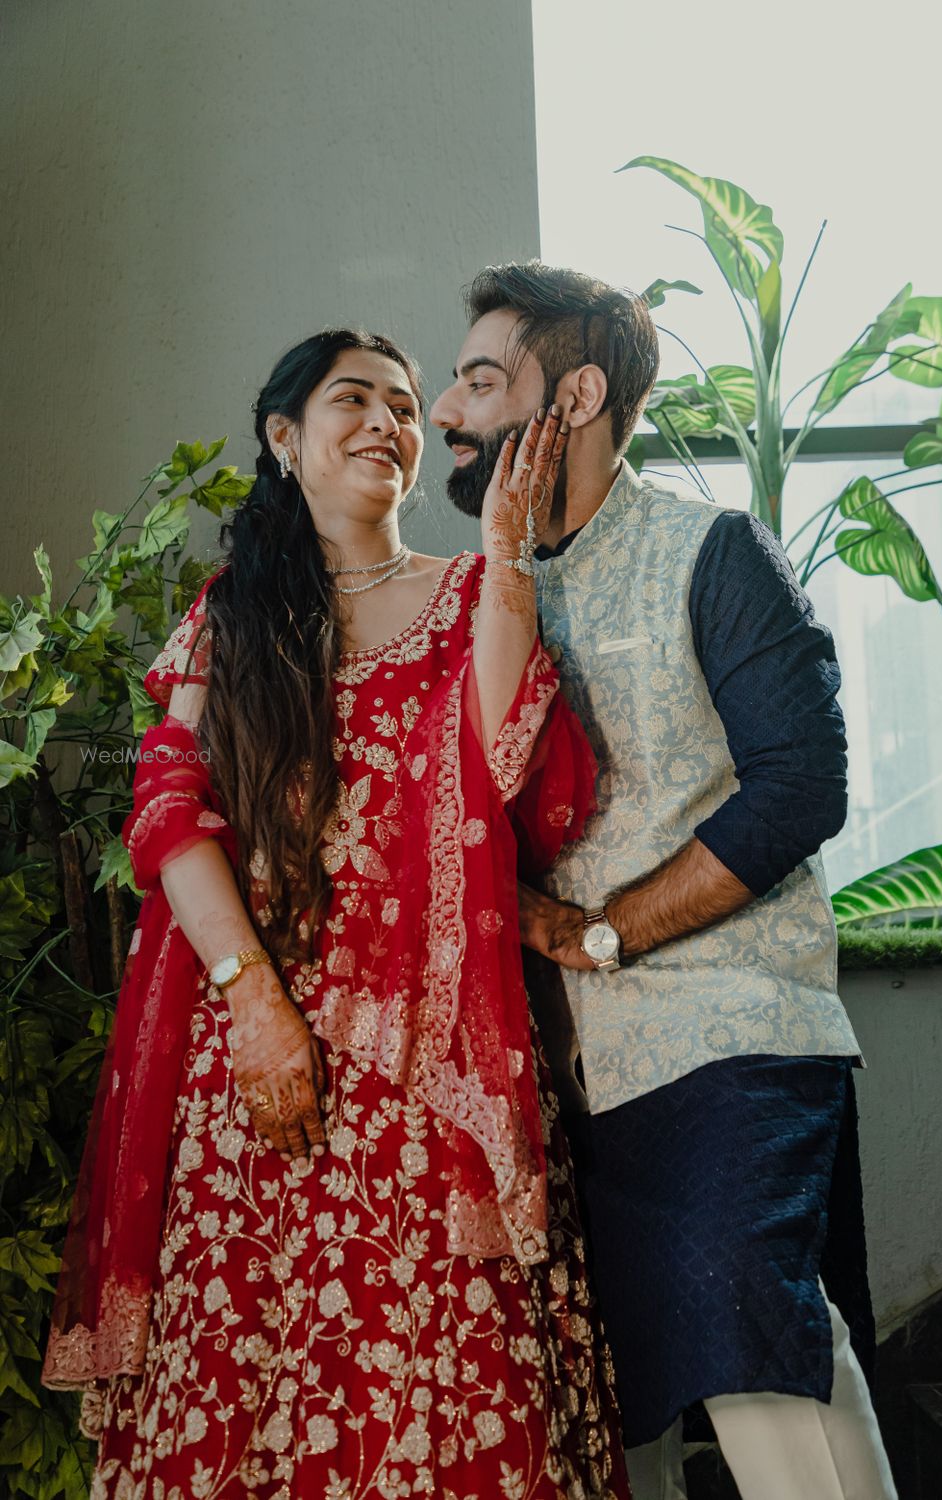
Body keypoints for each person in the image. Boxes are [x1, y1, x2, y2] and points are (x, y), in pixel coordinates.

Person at [42, 328, 632, 1499]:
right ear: (284, 437)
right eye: (352, 399)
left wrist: (507, 555)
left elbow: (513, 761)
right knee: (246, 1378)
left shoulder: (471, 593)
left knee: (444, 1384)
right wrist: (254, 1004)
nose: (386, 423)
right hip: (254, 1069)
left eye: (406, 407)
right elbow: (167, 810)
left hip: (431, 1065)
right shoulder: (234, 615)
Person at [431, 263, 899, 1500]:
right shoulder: (478, 594)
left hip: (724, 1027)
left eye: (482, 379)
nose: (443, 408)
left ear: (574, 396)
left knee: (741, 1308)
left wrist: (600, 935)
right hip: (546, 1062)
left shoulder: (713, 551)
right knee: (588, 1386)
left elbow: (799, 787)